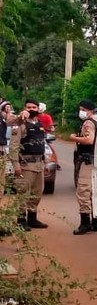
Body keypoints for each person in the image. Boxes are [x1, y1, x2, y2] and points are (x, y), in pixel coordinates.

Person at [9, 99, 48, 231]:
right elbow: (14, 146)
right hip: (26, 164)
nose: (32, 109)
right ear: (25, 108)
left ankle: (32, 219)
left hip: (39, 164)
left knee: (37, 193)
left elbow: (43, 144)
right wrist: (16, 165)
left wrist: (45, 161)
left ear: (38, 109)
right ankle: (21, 220)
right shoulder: (21, 124)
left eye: (34, 107)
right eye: (29, 107)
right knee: (23, 193)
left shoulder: (39, 124)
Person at [70, 100, 97, 235]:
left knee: (83, 191)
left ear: (90, 110)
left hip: (88, 161)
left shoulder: (88, 123)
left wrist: (74, 138)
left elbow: (89, 140)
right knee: (94, 191)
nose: (81, 111)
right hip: (96, 160)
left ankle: (85, 223)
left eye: (82, 109)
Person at [0, 101, 29, 196]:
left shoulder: (3, 115)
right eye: (6, 107)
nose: (8, 108)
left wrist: (22, 115)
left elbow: (15, 121)